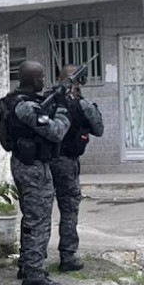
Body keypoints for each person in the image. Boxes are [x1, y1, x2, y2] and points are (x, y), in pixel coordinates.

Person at [0, 61, 70, 285]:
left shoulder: (23, 101)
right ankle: (35, 273)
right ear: (32, 79)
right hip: (32, 167)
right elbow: (56, 132)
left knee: (32, 217)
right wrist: (62, 110)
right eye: (40, 77)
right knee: (38, 220)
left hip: (29, 164)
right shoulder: (25, 106)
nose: (43, 81)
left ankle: (27, 265)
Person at [49, 64, 104, 272]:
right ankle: (68, 256)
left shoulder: (47, 100)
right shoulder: (80, 104)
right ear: (77, 82)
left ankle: (30, 262)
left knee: (39, 213)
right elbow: (98, 128)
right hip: (66, 161)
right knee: (69, 209)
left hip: (43, 161)